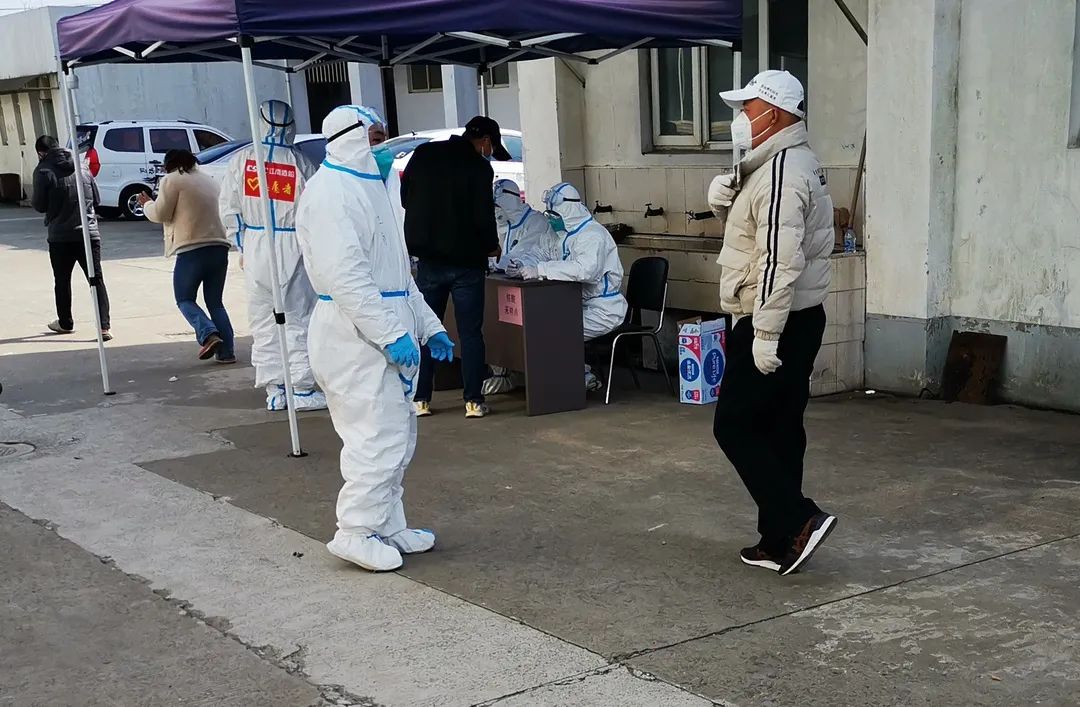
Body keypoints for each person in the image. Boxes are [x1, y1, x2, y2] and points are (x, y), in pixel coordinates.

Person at [295, 104, 454, 572]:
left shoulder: (375, 189)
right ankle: (356, 530)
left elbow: (399, 277)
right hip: (352, 336)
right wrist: (390, 334)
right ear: (351, 138)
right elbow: (348, 280)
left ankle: (387, 523)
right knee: (374, 438)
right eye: (377, 137)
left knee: (397, 437)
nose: (386, 147)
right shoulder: (331, 193)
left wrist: (429, 326)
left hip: (383, 328)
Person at [706, 70, 837, 576]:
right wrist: (726, 199)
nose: (740, 118)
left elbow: (778, 261)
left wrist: (764, 334)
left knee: (734, 425)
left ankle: (799, 520)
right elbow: (759, 234)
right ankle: (779, 540)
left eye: (748, 109)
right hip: (796, 315)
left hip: (774, 318)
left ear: (776, 115)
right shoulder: (781, 162)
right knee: (780, 427)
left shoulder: (782, 169)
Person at [219, 99, 326, 411]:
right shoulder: (301, 162)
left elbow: (229, 209)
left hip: (256, 246)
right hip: (293, 247)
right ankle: (302, 389)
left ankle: (275, 389)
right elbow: (315, 212)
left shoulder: (241, 161)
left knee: (264, 321)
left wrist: (241, 244)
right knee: (298, 319)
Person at [402, 116, 505, 419]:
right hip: (467, 263)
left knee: (426, 329)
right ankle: (473, 401)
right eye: (491, 147)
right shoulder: (479, 167)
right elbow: (483, 215)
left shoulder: (423, 154)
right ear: (485, 141)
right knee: (470, 332)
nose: (489, 153)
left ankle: (420, 399)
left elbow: (405, 198)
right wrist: (492, 246)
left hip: (429, 260)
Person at [508, 182, 628, 391]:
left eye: (555, 214)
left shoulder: (592, 235)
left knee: (558, 331)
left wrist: (541, 269)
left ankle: (580, 378)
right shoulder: (559, 233)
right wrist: (521, 264)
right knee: (543, 326)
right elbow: (539, 252)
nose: (551, 219)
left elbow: (586, 270)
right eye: (550, 214)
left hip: (603, 310)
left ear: (569, 210)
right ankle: (563, 377)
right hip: (574, 305)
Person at [139, 149, 235, 363]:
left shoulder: (172, 180)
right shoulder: (209, 180)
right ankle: (227, 352)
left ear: (168, 164)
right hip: (219, 247)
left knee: (184, 298)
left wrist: (146, 204)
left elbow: (161, 213)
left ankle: (208, 334)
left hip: (192, 249)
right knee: (215, 303)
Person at [32, 135, 111, 341]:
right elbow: (97, 199)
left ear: (40, 152)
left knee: (62, 280)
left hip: (60, 236)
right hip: (89, 233)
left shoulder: (43, 171)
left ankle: (65, 322)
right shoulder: (82, 166)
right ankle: (104, 327)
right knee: (96, 279)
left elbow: (39, 205)